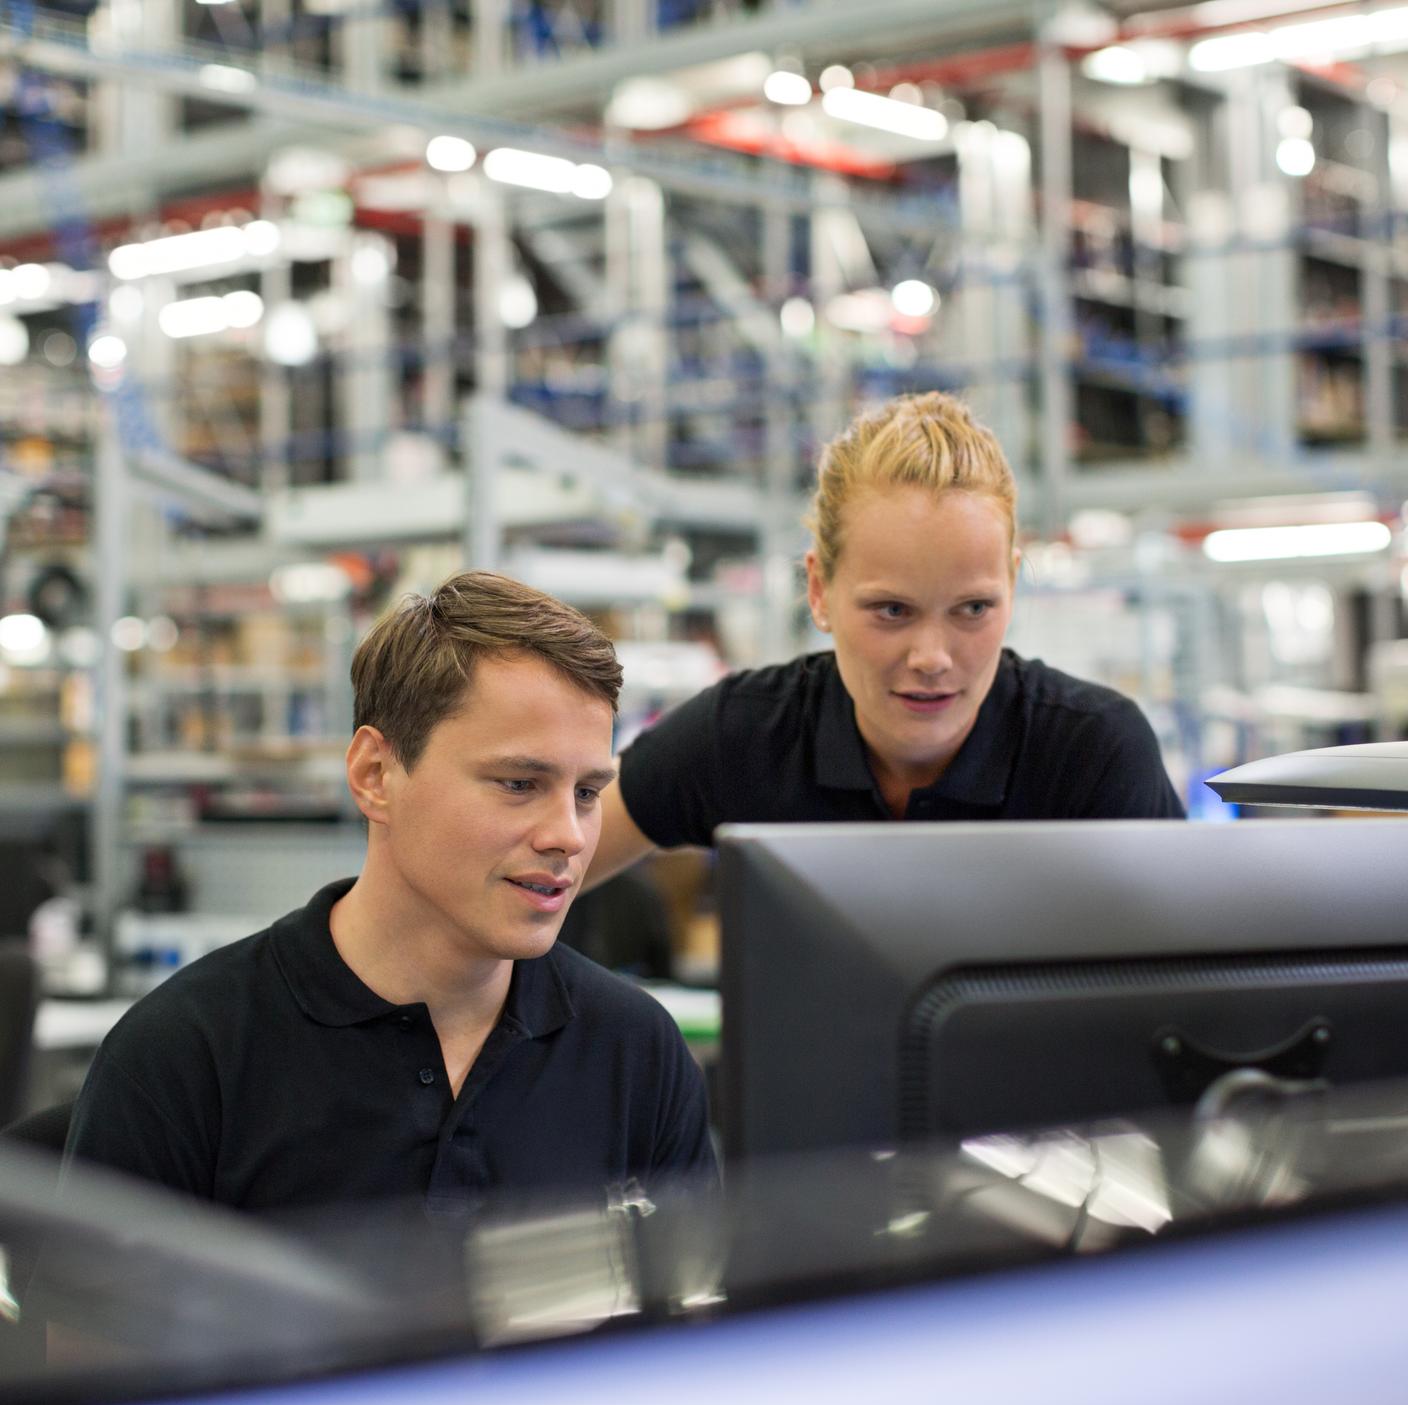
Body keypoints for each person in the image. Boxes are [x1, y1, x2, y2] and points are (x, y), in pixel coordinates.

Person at [64, 571, 717, 1215]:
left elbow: (701, 1316)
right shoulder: (187, 1056)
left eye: (586, 793)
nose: (569, 837)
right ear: (375, 775)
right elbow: (94, 1324)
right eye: (519, 784)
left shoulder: (637, 1054)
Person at [587, 391, 1183, 884]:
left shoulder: (1092, 754)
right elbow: (529, 873)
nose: (932, 658)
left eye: (973, 608)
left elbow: (1196, 984)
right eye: (892, 610)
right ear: (819, 590)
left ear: (1012, 585)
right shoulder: (742, 736)